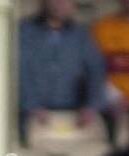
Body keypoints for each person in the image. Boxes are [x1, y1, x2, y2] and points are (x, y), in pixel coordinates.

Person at [18, 0, 107, 133]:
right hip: (29, 115)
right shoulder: (23, 31)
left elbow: (96, 71)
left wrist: (91, 106)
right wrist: (31, 105)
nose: (60, 3)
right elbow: (18, 71)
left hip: (72, 115)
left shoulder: (81, 34)